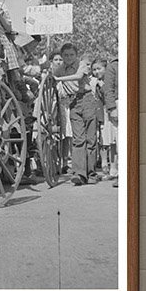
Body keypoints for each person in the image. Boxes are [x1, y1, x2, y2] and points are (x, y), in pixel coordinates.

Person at [56, 43, 101, 185]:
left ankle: (91, 173)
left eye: (71, 55)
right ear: (62, 56)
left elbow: (78, 76)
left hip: (87, 100)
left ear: (76, 55)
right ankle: (79, 173)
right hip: (73, 103)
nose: (68, 57)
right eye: (66, 55)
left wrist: (58, 79)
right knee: (78, 139)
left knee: (91, 139)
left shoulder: (81, 64)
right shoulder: (59, 69)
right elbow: (50, 79)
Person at [104, 55, 119, 188]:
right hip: (119, 103)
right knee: (121, 141)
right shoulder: (113, 66)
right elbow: (108, 89)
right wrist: (112, 108)